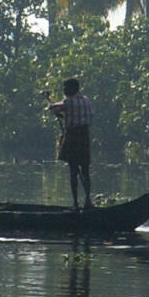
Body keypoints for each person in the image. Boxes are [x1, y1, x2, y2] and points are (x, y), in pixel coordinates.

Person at [48, 77, 93, 209]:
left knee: (73, 171)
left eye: (66, 88)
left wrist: (48, 99)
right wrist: (65, 116)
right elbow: (85, 117)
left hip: (73, 137)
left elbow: (52, 109)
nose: (64, 91)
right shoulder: (87, 101)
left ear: (73, 89)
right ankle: (88, 201)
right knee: (85, 170)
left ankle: (75, 203)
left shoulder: (68, 102)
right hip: (84, 137)